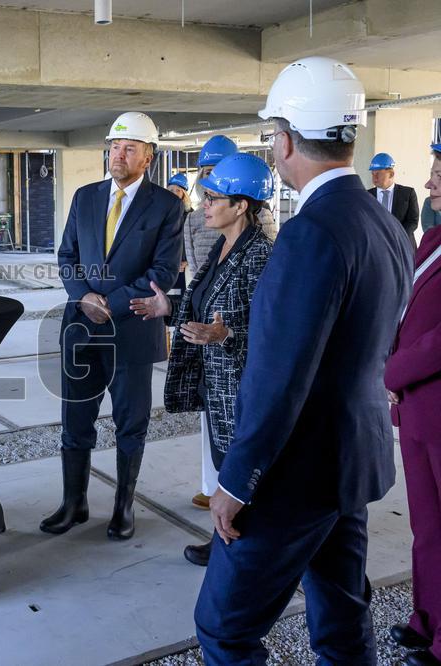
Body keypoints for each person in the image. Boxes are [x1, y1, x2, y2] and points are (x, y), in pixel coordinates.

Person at [194, 56, 412, 665]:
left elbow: (278, 377)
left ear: (284, 139)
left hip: (295, 476)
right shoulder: (383, 221)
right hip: (351, 463)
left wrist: (236, 480)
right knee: (341, 620)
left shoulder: (311, 233)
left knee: (223, 629)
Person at [42, 111, 183, 540]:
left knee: (131, 423)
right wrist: (84, 297)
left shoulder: (166, 206)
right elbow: (66, 256)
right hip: (81, 328)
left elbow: (164, 272)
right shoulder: (85, 197)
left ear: (149, 157)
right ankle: (74, 502)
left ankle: (124, 507)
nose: (117, 155)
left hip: (132, 332)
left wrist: (112, 303)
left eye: (129, 148)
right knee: (75, 420)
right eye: (113, 147)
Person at [133, 154, 274, 568]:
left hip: (241, 386)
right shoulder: (222, 248)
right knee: (225, 467)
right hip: (215, 383)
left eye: (213, 198)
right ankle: (228, 542)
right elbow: (204, 306)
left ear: (241, 206)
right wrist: (168, 311)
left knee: (243, 472)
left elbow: (274, 332)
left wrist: (226, 335)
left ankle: (243, 552)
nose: (204, 205)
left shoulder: (260, 256)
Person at [385, 142, 441, 666]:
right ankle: (428, 620)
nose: (428, 184)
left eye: (438, 173)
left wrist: (392, 369)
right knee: (426, 526)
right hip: (419, 410)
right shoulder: (434, 241)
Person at [184, 135, 237, 277]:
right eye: (209, 172)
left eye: (221, 171)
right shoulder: (193, 220)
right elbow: (196, 275)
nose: (215, 180)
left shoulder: (258, 214)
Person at [368, 152, 421, 249]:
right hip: (376, 248)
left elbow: (413, 221)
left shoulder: (408, 193)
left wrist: (397, 237)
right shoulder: (367, 196)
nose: (374, 178)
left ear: (391, 174)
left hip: (403, 247)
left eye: (378, 174)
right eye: (372, 174)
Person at [167, 172, 193, 293]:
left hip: (185, 267)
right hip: (167, 265)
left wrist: (185, 261)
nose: (173, 193)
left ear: (184, 194)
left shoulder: (191, 216)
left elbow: (192, 240)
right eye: (171, 189)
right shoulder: (161, 214)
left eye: (177, 190)